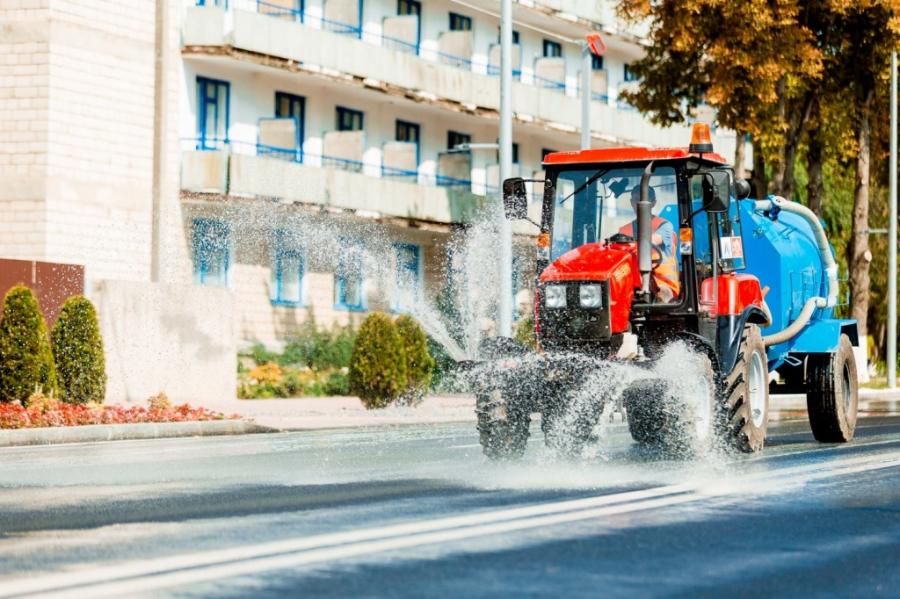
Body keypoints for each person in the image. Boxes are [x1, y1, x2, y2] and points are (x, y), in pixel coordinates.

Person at [618, 185, 680, 303]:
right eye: (636, 200)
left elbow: (650, 242)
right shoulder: (623, 231)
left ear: (653, 203)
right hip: (632, 282)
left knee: (663, 296)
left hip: (661, 283)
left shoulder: (664, 225)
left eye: (644, 200)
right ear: (631, 202)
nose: (640, 204)